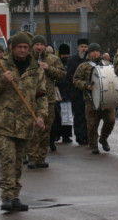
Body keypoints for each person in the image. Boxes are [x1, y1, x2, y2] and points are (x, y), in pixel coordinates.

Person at [0, 33, 47, 212]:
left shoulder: (36, 70)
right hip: (4, 123)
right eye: (20, 47)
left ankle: (16, 196)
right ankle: (7, 196)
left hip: (25, 123)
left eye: (26, 47)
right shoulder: (0, 66)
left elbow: (41, 95)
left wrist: (41, 116)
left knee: (19, 161)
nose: (23, 50)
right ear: (12, 48)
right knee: (8, 159)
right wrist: (2, 81)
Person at [28, 35, 66, 169]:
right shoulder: (27, 59)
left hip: (48, 99)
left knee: (46, 129)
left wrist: (49, 68)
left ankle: (41, 157)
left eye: (41, 44)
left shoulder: (53, 59)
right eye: (36, 44)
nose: (39, 47)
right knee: (33, 129)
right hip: (31, 99)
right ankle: (32, 156)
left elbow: (62, 75)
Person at [73, 43, 116, 154]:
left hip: (107, 98)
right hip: (90, 99)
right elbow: (75, 80)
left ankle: (103, 139)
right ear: (89, 53)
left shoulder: (107, 64)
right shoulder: (83, 66)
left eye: (97, 51)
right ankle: (94, 144)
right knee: (92, 125)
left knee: (110, 120)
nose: (95, 53)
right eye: (93, 51)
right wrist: (86, 85)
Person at [66, 38, 90, 145]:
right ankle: (79, 136)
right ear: (78, 48)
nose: (84, 49)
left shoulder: (90, 60)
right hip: (77, 92)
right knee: (79, 115)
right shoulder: (72, 60)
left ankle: (87, 135)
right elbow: (69, 75)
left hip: (89, 92)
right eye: (82, 47)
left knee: (88, 115)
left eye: (85, 47)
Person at [55, 43, 73, 144]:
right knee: (59, 116)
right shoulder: (57, 63)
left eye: (67, 54)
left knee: (68, 117)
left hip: (68, 94)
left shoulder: (70, 63)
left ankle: (67, 136)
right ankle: (58, 135)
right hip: (59, 93)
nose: (66, 56)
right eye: (64, 54)